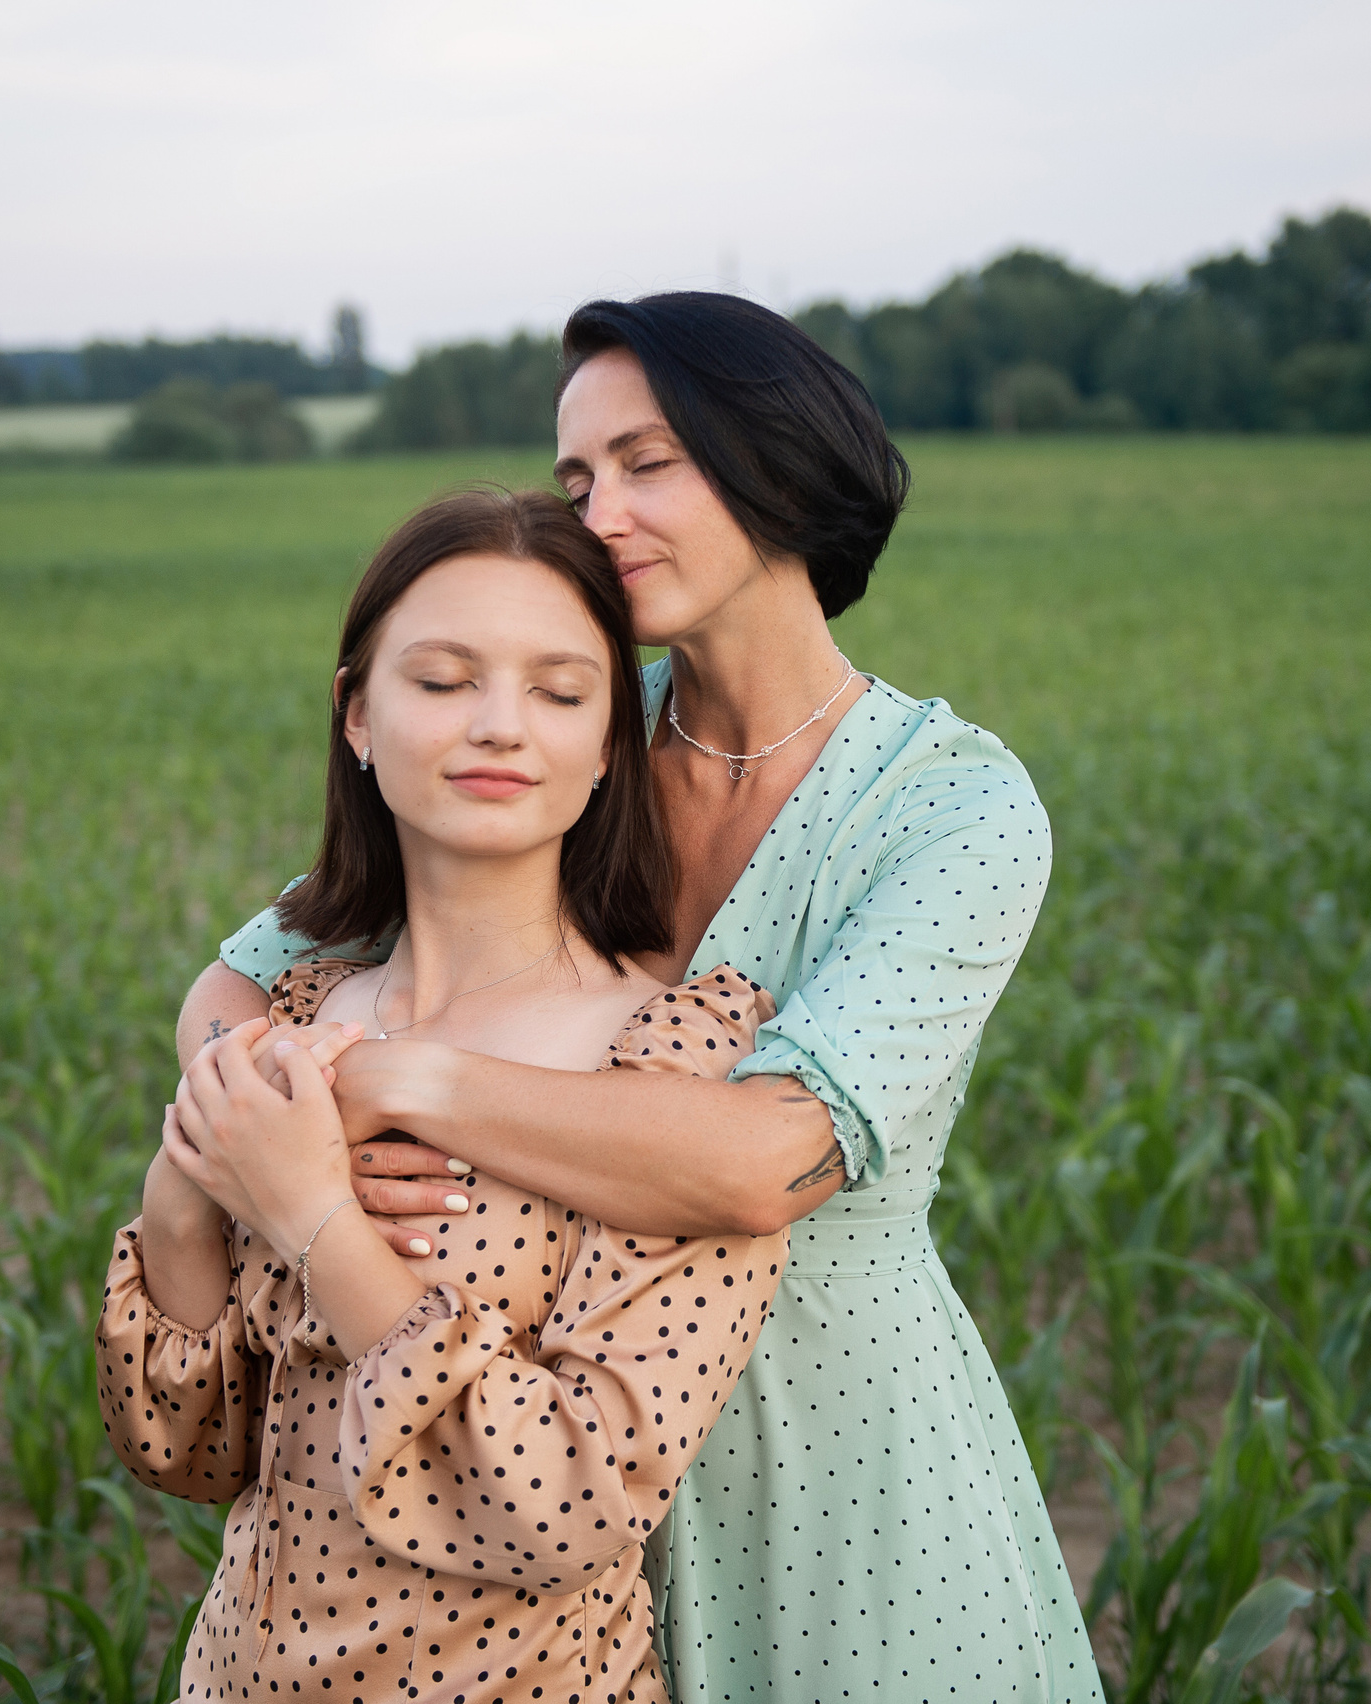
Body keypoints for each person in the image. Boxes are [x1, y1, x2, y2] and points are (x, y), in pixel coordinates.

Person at [181, 296, 1102, 1701]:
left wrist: (388, 1086)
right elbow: (234, 992)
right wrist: (273, 1120)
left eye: (645, 462)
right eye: (574, 478)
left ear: (778, 468)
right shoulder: (571, 720)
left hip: (828, 1465)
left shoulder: (952, 808)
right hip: (516, 1440)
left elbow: (757, 1166)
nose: (596, 512)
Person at [100, 488, 791, 1704]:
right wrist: (187, 1182)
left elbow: (568, 1512)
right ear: (357, 716)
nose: (499, 726)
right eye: (442, 680)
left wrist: (316, 1221)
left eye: (562, 692)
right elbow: (185, 1448)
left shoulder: (672, 1066)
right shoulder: (301, 1019)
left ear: (604, 753)